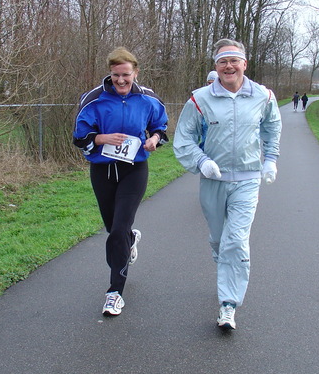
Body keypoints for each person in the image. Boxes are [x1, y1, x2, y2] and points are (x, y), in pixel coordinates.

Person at [173, 39, 282, 330]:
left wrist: (270, 159)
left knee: (236, 241)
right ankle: (226, 270)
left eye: (234, 60)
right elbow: (183, 139)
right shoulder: (200, 99)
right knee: (220, 241)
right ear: (216, 67)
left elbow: (272, 127)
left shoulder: (263, 96)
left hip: (247, 180)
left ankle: (228, 304)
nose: (229, 66)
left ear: (244, 64)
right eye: (223, 61)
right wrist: (201, 162)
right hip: (213, 180)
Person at [73, 47, 168, 317]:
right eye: (116, 75)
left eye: (126, 75)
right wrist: (102, 138)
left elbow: (161, 127)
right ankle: (130, 238)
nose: (121, 81)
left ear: (135, 73)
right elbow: (79, 137)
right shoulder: (94, 99)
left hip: (134, 169)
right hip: (102, 171)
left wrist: (153, 140)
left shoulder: (147, 98)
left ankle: (114, 292)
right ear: (110, 73)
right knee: (112, 228)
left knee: (118, 231)